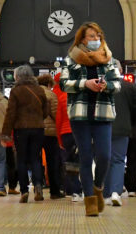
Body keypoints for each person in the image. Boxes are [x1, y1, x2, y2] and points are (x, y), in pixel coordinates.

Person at [59, 22, 121, 216]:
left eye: (98, 36)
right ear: (82, 39)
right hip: (80, 115)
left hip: (103, 114)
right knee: (85, 157)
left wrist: (106, 86)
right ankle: (89, 201)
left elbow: (118, 85)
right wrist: (85, 83)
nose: (96, 39)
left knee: (104, 156)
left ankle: (98, 187)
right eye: (91, 36)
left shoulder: (108, 59)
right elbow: (63, 83)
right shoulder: (71, 59)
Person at [0, 65, 49, 204]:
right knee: (36, 159)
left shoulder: (16, 91)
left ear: (18, 76)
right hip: (38, 129)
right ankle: (38, 186)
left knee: (21, 160)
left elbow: (10, 114)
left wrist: (5, 134)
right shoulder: (39, 90)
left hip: (21, 129)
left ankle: (24, 191)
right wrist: (37, 119)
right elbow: (46, 111)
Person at [103, 59, 136, 206]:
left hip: (103, 129)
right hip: (123, 128)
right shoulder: (130, 87)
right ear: (120, 71)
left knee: (105, 161)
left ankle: (106, 193)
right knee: (118, 160)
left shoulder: (100, 86)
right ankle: (116, 192)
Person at [53, 73, 83, 202]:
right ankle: (84, 190)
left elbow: (58, 120)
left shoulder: (62, 97)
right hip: (81, 132)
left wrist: (59, 138)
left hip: (66, 134)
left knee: (70, 163)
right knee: (81, 161)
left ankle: (75, 191)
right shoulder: (81, 95)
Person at [37, 74, 65, 199]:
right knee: (52, 162)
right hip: (50, 133)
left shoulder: (34, 94)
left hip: (36, 131)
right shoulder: (52, 95)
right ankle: (54, 191)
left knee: (36, 161)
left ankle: (38, 186)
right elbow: (55, 114)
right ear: (49, 84)